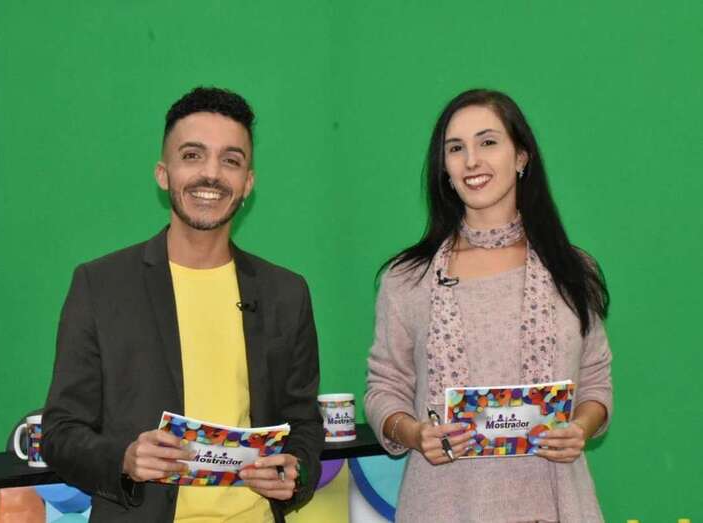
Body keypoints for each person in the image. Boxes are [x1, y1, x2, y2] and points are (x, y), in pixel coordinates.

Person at [43, 87, 323, 522]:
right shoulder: (100, 286)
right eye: (192, 155)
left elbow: (303, 425)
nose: (211, 174)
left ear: (248, 183)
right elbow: (60, 433)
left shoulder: (286, 293)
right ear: (163, 173)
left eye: (231, 160)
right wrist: (124, 459)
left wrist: (295, 473)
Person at [364, 89, 612, 523]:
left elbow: (595, 382)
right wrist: (415, 433)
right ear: (444, 169)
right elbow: (384, 387)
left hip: (555, 505)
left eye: (488, 142)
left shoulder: (572, 270)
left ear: (521, 157)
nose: (472, 161)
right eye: (456, 148)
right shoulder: (407, 279)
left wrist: (581, 428)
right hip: (441, 506)